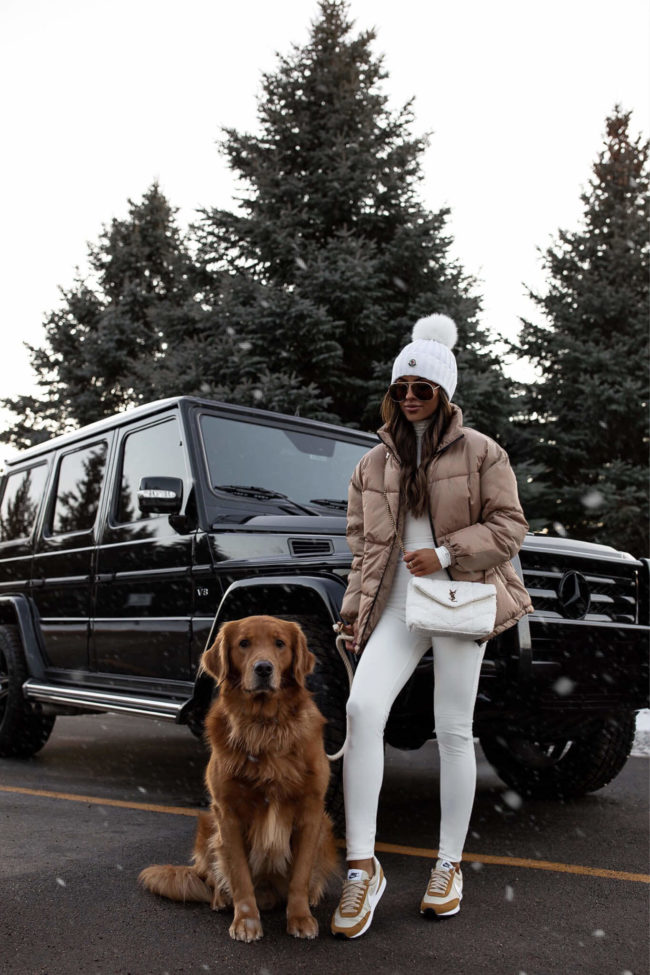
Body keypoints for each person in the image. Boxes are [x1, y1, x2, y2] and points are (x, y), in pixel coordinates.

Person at [330, 313, 533, 939]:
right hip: (395, 606)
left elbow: (511, 527)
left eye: (422, 388)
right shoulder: (371, 465)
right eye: (401, 388)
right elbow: (364, 549)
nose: (410, 398)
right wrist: (353, 616)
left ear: (444, 393)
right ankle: (362, 867)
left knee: (453, 731)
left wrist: (444, 553)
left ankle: (448, 865)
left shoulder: (482, 452)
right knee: (362, 711)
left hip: (459, 598)